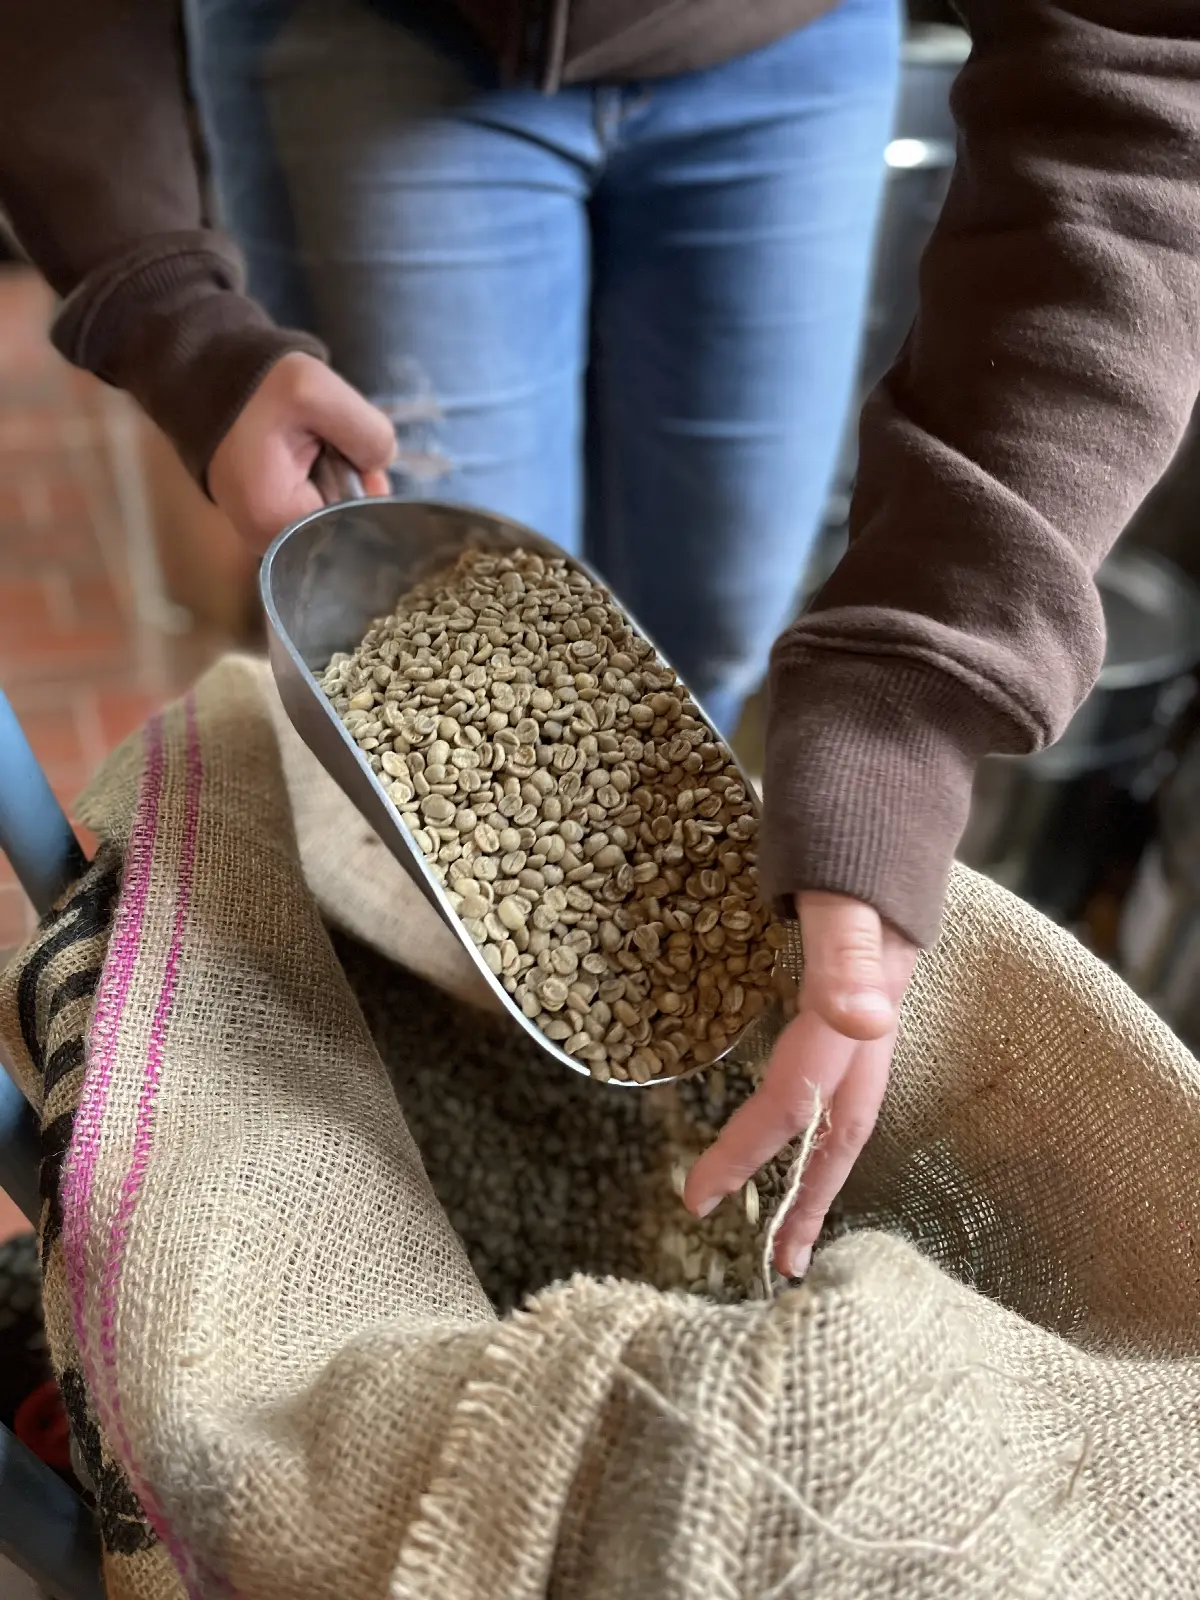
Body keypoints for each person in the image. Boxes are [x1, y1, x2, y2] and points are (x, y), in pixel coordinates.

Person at [3, 0, 1198, 1281]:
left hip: (784, 48)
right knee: (448, 697)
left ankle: (610, 1088)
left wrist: (899, 722)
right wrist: (175, 321)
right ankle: (454, 1061)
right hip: (381, 41)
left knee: (710, 641)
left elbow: (1129, 80)